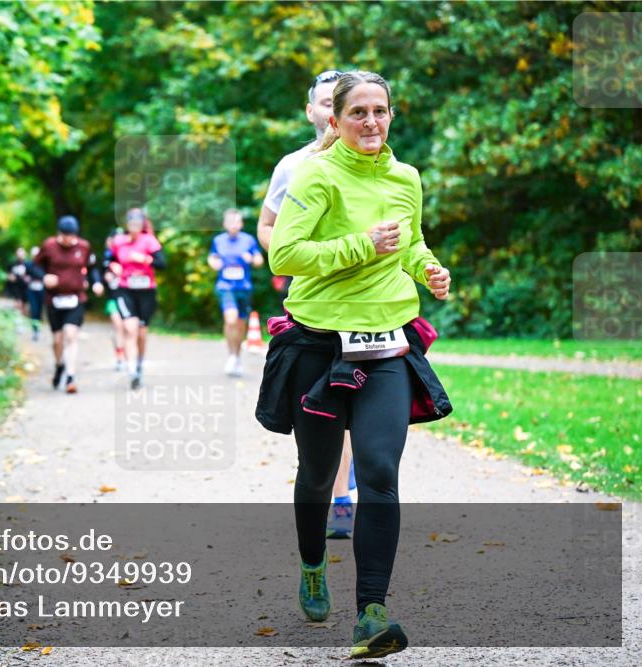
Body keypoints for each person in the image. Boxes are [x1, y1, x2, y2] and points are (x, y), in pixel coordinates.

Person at [256, 71, 452, 660]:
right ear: (334, 120)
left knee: (379, 471)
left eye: (381, 111)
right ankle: (313, 565)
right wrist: (363, 245)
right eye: (359, 112)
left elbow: (410, 241)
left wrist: (428, 268)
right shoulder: (314, 174)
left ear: (392, 115)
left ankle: (372, 611)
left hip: (387, 344)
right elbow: (285, 254)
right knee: (318, 474)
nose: (371, 121)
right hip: (319, 345)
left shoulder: (406, 177)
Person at [258, 69, 357, 540]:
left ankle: (344, 487)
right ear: (313, 111)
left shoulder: (373, 160)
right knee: (324, 402)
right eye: (323, 102)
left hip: (365, 300)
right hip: (313, 302)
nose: (329, 109)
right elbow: (268, 226)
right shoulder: (292, 166)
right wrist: (288, 256)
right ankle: (334, 490)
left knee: (358, 393)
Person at [34, 215, 104, 394]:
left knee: (71, 335)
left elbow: (92, 267)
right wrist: (43, 277)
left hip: (76, 298)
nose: (69, 239)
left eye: (72, 236)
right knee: (57, 339)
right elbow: (34, 266)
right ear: (59, 233)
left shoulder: (83, 246)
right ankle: (59, 366)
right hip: (54, 299)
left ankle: (71, 377)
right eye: (66, 236)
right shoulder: (49, 246)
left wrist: (95, 282)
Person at [110, 208, 165, 390]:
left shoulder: (149, 240)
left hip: (146, 292)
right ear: (127, 224)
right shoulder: (119, 242)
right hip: (125, 290)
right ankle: (131, 369)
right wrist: (113, 268)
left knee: (141, 333)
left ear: (141, 225)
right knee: (129, 328)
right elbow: (108, 261)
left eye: (137, 224)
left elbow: (162, 263)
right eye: (131, 224)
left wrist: (144, 259)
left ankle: (139, 364)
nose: (134, 227)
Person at [208, 208, 263, 377]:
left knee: (240, 324)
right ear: (225, 224)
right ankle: (231, 355)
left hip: (244, 287)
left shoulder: (248, 240)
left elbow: (259, 261)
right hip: (226, 286)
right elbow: (212, 257)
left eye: (237, 222)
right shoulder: (218, 240)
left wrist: (252, 259)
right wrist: (213, 263)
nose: (234, 225)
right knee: (230, 319)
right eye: (231, 222)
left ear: (241, 223)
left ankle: (236, 355)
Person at [103, 228, 128, 371]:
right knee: (118, 325)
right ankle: (119, 357)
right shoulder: (108, 256)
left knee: (127, 328)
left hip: (128, 297)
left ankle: (127, 354)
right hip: (112, 298)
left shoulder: (129, 253)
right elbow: (100, 275)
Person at [4, 247, 30, 315]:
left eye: (21, 252)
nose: (20, 254)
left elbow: (32, 274)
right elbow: (8, 274)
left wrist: (28, 278)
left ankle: (23, 318)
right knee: (18, 304)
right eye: (19, 252)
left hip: (25, 287)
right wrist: (10, 277)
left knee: (24, 306)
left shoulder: (28, 264)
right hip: (16, 287)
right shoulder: (12, 264)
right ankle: (18, 318)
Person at [26, 246, 45, 341]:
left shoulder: (44, 265)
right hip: (32, 289)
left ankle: (38, 328)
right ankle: (35, 330)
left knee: (39, 310)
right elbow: (25, 276)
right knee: (34, 309)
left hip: (41, 290)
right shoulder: (28, 265)